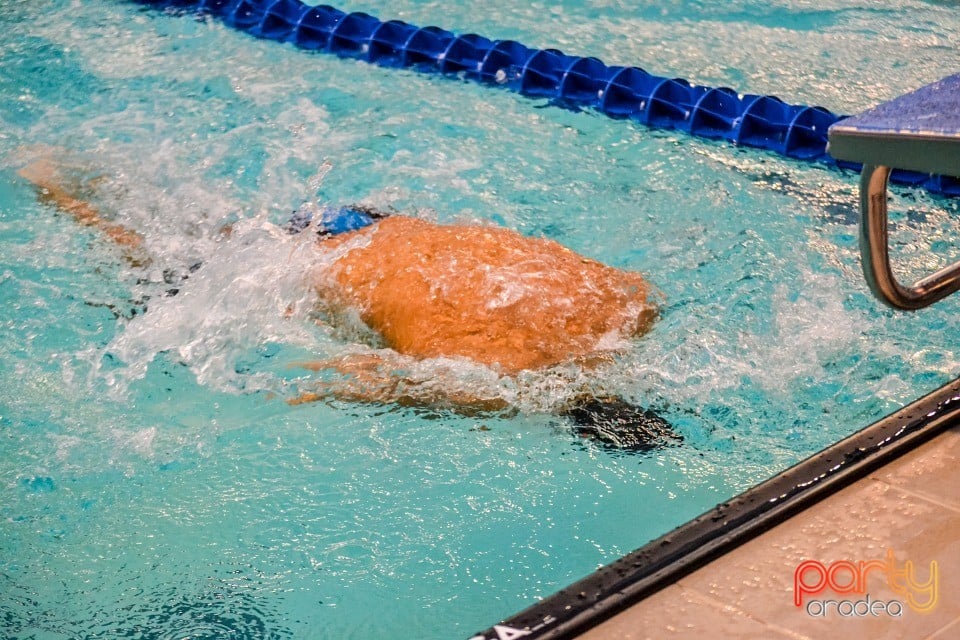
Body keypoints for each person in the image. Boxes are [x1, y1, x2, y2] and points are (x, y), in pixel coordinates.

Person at [17, 154, 679, 450]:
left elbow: (643, 285)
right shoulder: (486, 383)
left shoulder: (626, 314)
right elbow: (372, 378)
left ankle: (60, 173)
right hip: (309, 256)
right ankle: (54, 187)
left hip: (376, 225)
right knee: (148, 255)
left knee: (184, 235)